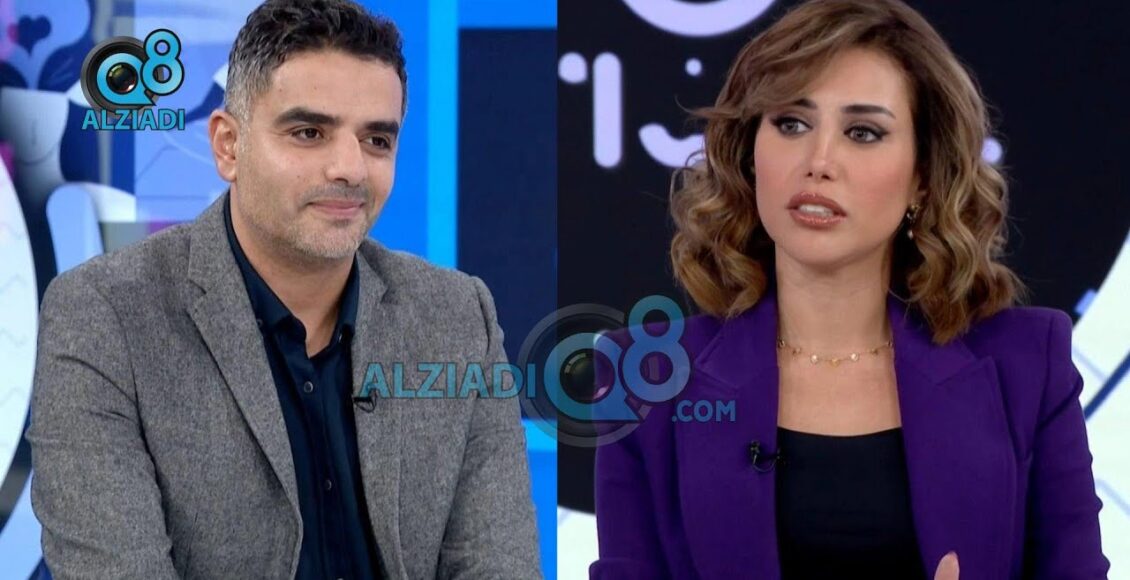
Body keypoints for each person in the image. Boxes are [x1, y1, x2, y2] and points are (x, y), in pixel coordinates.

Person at [590, 0, 1108, 578]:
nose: (819, 161)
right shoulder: (646, 378)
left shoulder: (1029, 365)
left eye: (863, 132)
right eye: (791, 123)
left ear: (922, 177)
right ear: (749, 152)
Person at [27, 1, 541, 578]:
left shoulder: (458, 316)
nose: (350, 168)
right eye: (309, 133)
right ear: (228, 146)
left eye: (376, 140)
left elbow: (497, 564)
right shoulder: (105, 316)